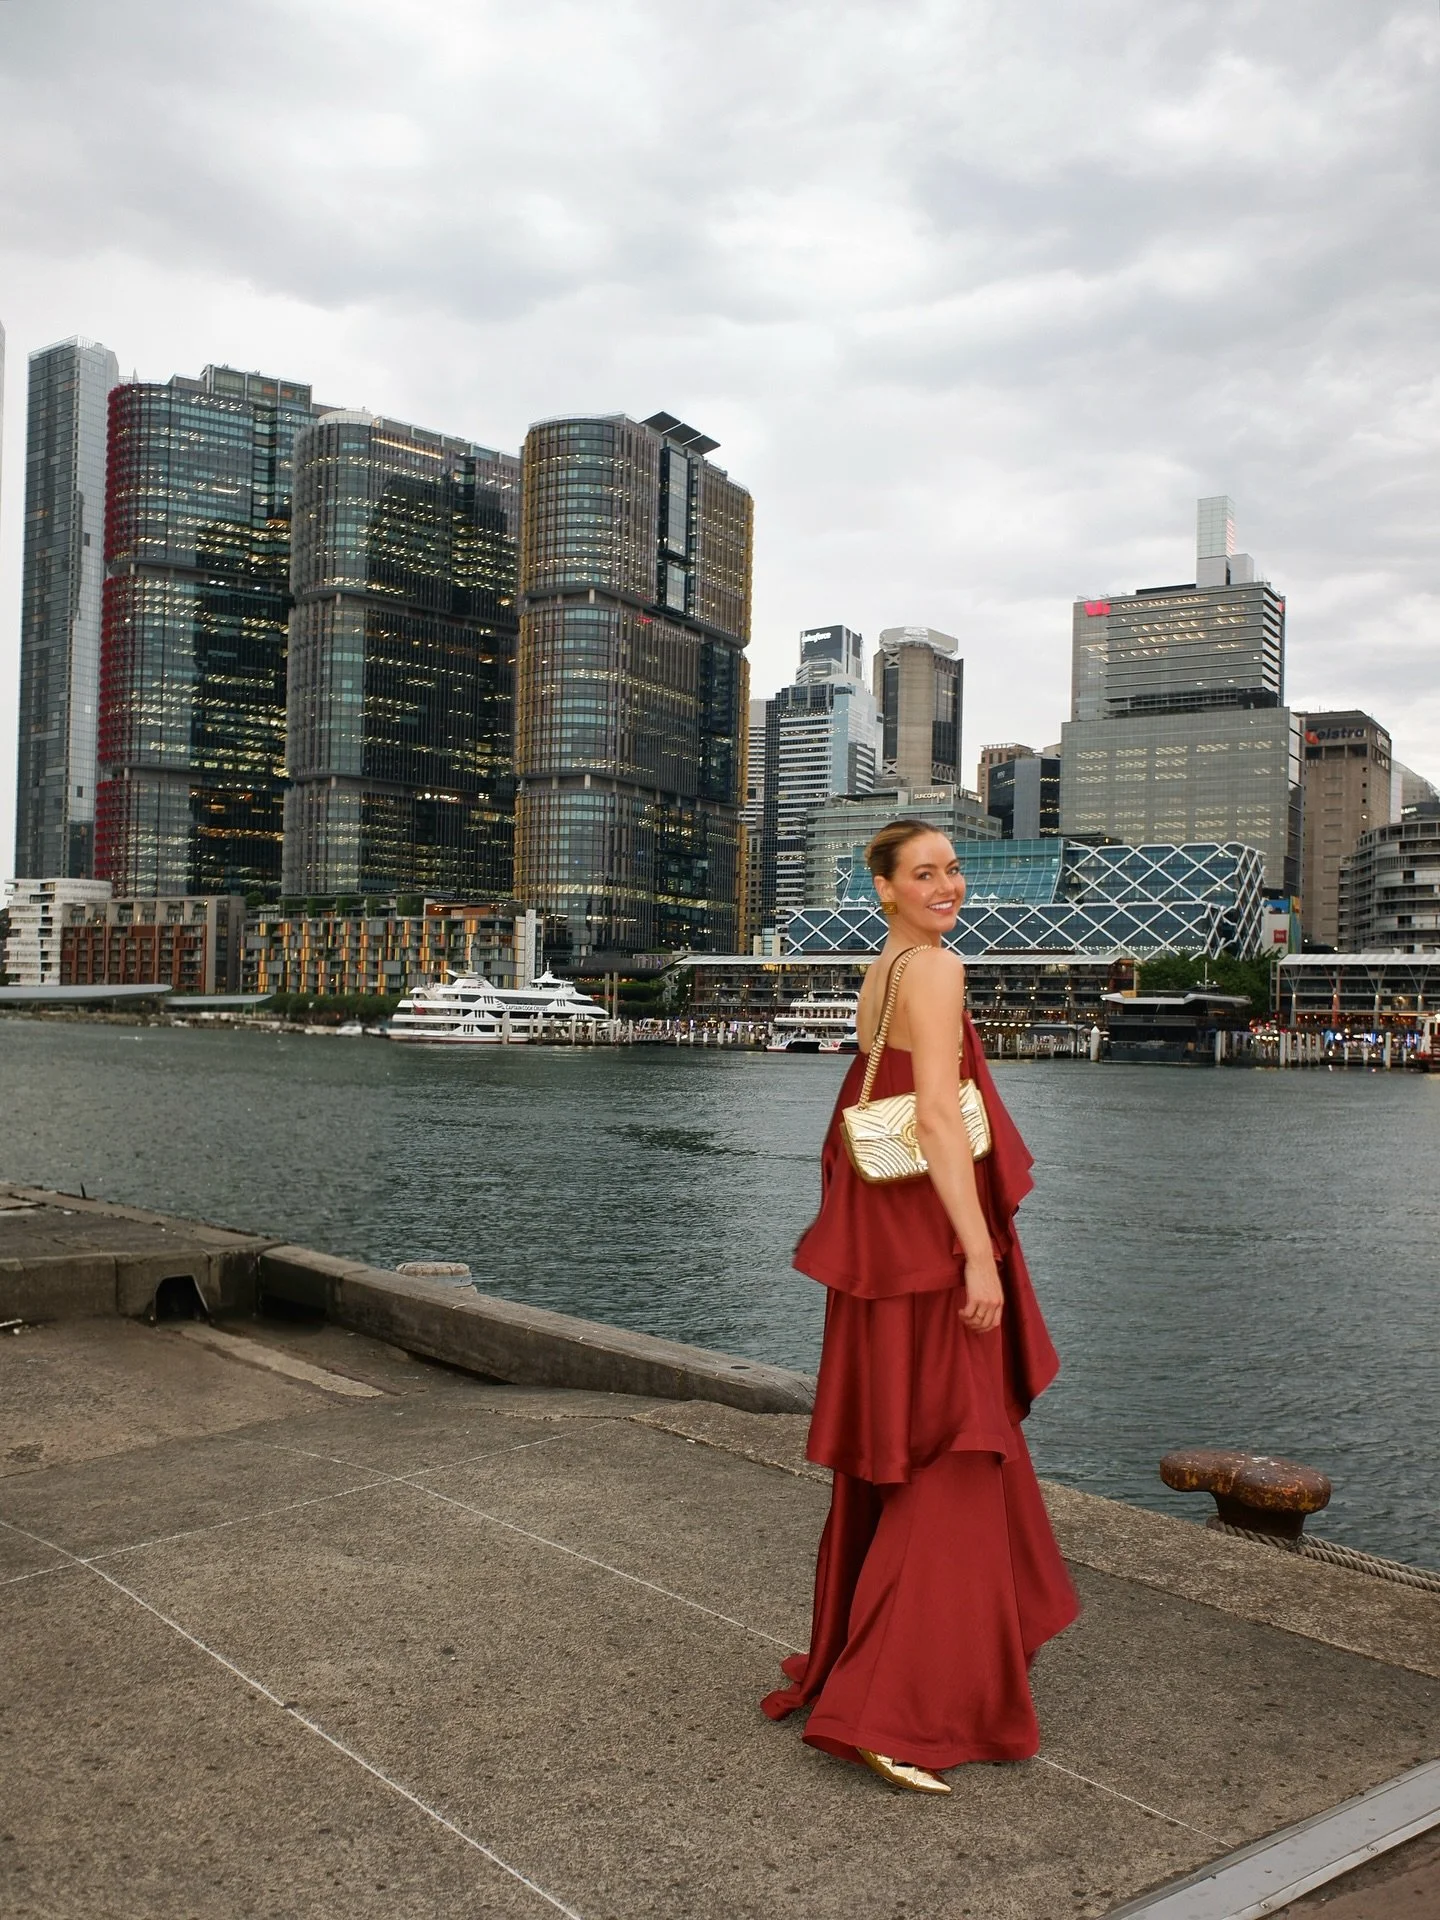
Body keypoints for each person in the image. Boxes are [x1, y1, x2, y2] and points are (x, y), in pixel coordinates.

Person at [761, 818, 1078, 1794]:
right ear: (885, 887)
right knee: (951, 1452)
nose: (949, 886)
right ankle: (889, 1708)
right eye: (925, 873)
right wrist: (978, 1253)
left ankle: (865, 1669)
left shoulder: (889, 968)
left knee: (901, 1454)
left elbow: (876, 1094)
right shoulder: (934, 971)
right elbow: (935, 1113)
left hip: (884, 1250)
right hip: (931, 1250)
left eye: (955, 870)